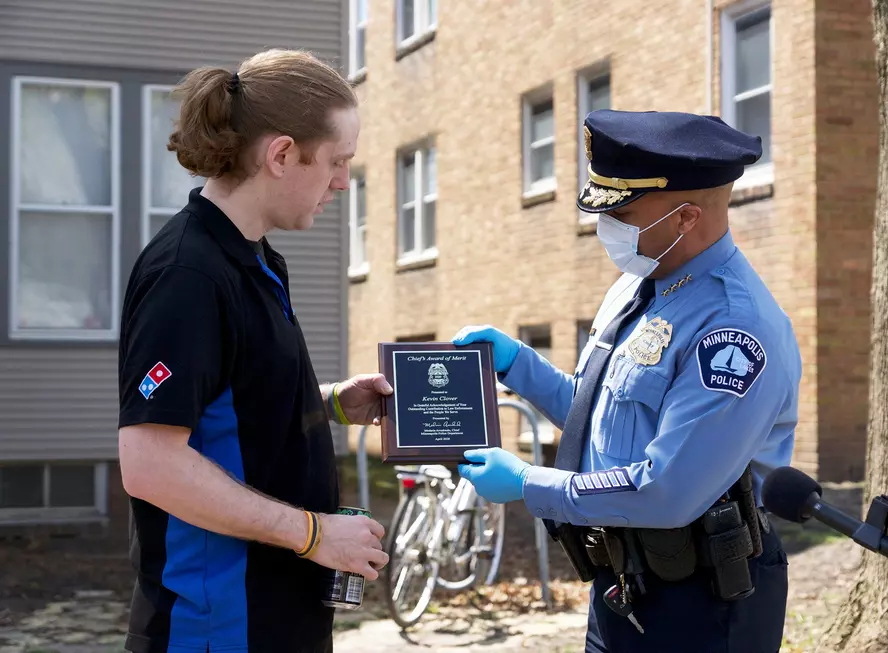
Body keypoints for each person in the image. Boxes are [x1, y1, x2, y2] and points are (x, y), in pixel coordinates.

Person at [454, 110, 801, 652]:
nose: (607, 227)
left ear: (686, 218)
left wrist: (528, 484)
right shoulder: (638, 285)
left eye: (625, 212)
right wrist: (515, 363)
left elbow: (668, 489)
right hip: (624, 583)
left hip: (703, 601)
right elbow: (597, 415)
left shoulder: (734, 328)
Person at [116, 49, 390, 653]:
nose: (343, 181)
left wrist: (334, 404)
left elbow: (231, 406)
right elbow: (151, 463)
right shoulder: (187, 274)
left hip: (275, 614)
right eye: (338, 162)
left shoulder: (256, 259)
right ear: (282, 154)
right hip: (214, 628)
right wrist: (315, 534)